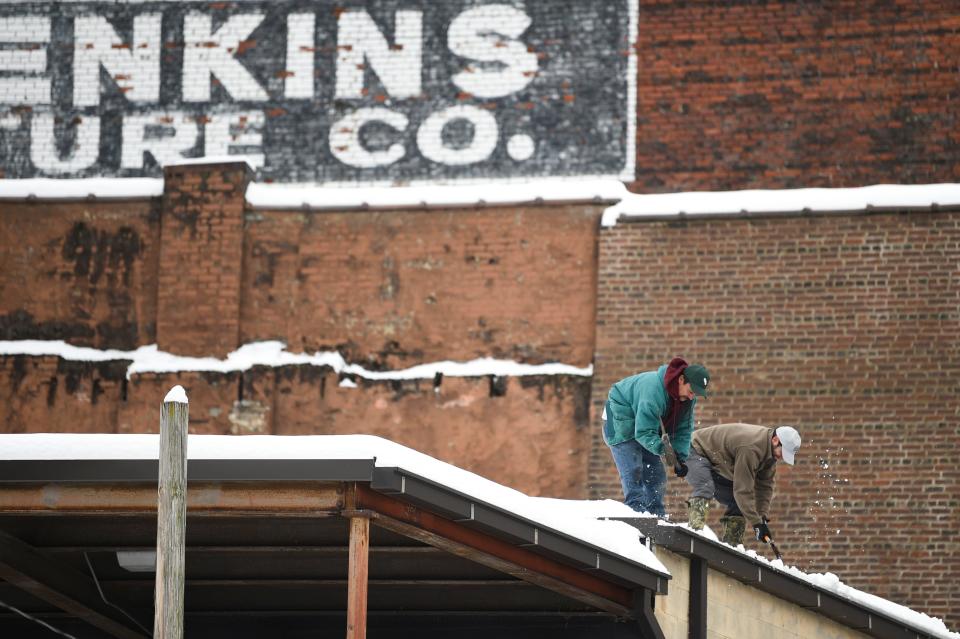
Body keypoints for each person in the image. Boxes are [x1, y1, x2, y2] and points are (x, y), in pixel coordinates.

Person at [602, 357, 710, 518]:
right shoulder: (653, 391)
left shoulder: (686, 398)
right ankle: (635, 511)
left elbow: (683, 428)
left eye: (696, 393)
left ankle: (656, 515)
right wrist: (667, 453)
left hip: (644, 425)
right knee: (633, 469)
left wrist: (679, 458)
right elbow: (643, 433)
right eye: (691, 390)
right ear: (681, 380)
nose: (692, 396)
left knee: (656, 473)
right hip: (619, 416)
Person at [684, 423, 801, 547]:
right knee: (705, 487)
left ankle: (732, 545)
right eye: (783, 452)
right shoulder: (750, 447)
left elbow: (765, 487)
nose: (782, 457)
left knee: (738, 502)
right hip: (694, 450)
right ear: (775, 440)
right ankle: (694, 533)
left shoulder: (770, 455)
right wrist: (756, 523)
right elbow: (742, 490)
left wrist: (761, 517)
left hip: (716, 462)